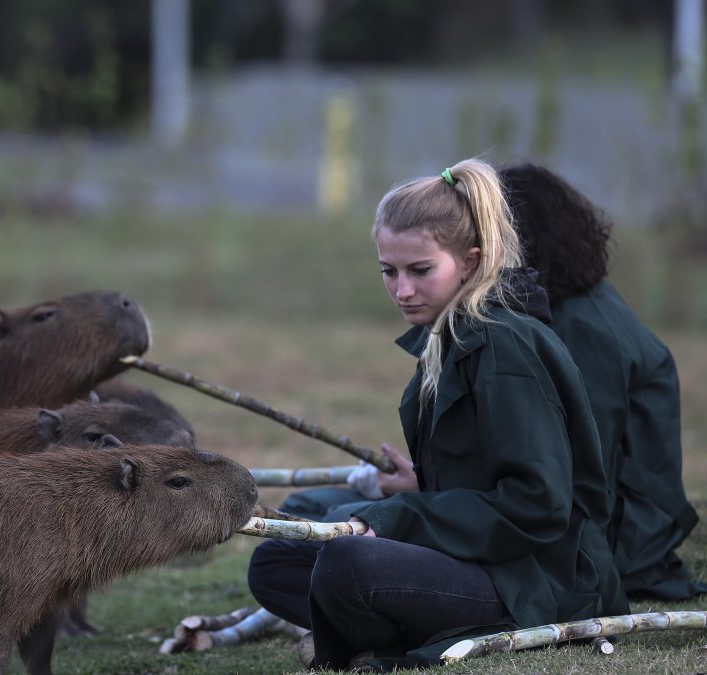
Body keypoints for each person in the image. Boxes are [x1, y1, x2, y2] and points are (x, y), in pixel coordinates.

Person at [246, 158, 628, 670]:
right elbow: (479, 483)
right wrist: (419, 489)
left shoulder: (504, 348)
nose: (402, 290)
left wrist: (400, 516)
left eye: (420, 270)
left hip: (534, 580)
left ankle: (392, 633)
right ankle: (386, 630)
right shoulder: (452, 335)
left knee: (345, 559)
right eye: (389, 271)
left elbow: (537, 505)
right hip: (478, 556)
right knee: (277, 557)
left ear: (469, 262)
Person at [500, 162, 703, 600]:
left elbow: (583, 478)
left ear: (519, 235)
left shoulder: (585, 330)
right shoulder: (573, 304)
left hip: (619, 546)